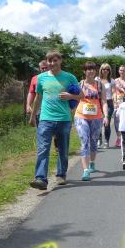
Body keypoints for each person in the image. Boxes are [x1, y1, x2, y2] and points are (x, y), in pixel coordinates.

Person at [29, 51, 82, 189]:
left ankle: (61, 175)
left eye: (55, 60)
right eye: (50, 61)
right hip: (45, 119)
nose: (52, 63)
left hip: (64, 119)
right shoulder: (41, 78)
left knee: (63, 150)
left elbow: (81, 96)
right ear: (47, 62)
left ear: (60, 61)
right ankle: (40, 179)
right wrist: (33, 116)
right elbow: (38, 98)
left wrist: (70, 96)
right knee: (43, 149)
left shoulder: (69, 77)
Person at [75, 61, 106, 181]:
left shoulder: (99, 85)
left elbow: (104, 101)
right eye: (88, 69)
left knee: (93, 142)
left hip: (96, 117)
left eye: (93, 69)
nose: (91, 71)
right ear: (84, 71)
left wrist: (106, 115)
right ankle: (85, 170)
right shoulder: (80, 84)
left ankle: (92, 162)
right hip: (81, 116)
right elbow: (74, 99)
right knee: (84, 141)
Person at [112, 65, 125, 149]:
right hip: (118, 102)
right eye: (120, 70)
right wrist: (114, 101)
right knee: (117, 121)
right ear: (118, 71)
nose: (122, 72)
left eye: (123, 70)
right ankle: (118, 137)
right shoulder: (116, 81)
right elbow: (114, 92)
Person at [97, 63, 115, 148]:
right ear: (101, 70)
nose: (105, 71)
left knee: (106, 122)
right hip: (98, 102)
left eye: (107, 69)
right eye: (104, 69)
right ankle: (99, 139)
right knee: (98, 122)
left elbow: (114, 92)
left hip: (109, 102)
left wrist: (115, 99)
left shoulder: (112, 81)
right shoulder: (97, 79)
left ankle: (106, 141)